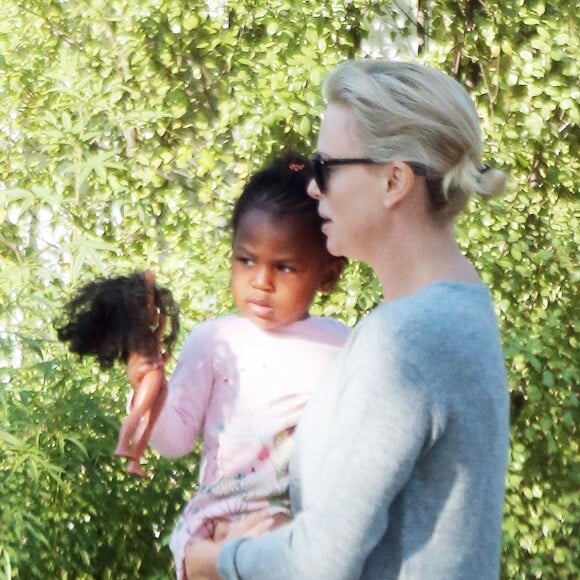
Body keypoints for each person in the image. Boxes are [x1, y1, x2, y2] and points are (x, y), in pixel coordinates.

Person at [185, 60, 510, 579]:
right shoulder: (463, 308)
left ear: (393, 182)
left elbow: (319, 562)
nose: (313, 189)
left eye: (325, 169)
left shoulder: (405, 340)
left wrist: (213, 560)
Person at [145, 153, 349, 579]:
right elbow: (173, 441)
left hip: (297, 538)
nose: (261, 281)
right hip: (215, 530)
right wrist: (148, 386)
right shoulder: (215, 342)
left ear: (328, 274)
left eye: (284, 266)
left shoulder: (343, 349)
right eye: (247, 260)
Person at [55, 269, 179, 477]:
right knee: (139, 412)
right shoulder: (136, 330)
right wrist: (149, 287)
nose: (155, 311)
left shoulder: (146, 334)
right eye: (151, 305)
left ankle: (135, 460)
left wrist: (162, 320)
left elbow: (158, 336)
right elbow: (147, 312)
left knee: (148, 420)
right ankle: (122, 444)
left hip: (152, 371)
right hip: (149, 372)